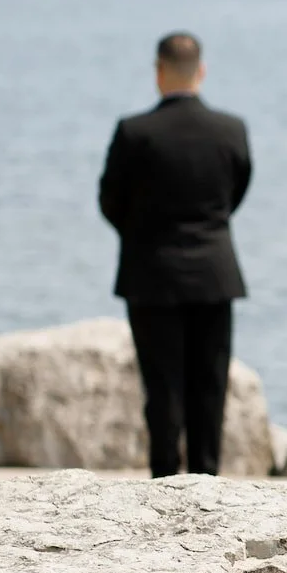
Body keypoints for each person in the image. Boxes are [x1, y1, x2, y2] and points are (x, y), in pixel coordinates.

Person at [98, 32, 251, 477]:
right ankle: (209, 482)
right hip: (214, 273)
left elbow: (111, 202)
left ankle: (164, 484)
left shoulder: (134, 133)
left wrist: (146, 234)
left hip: (151, 274)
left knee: (162, 389)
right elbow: (235, 193)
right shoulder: (231, 130)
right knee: (210, 388)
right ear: (201, 71)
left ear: (158, 72)